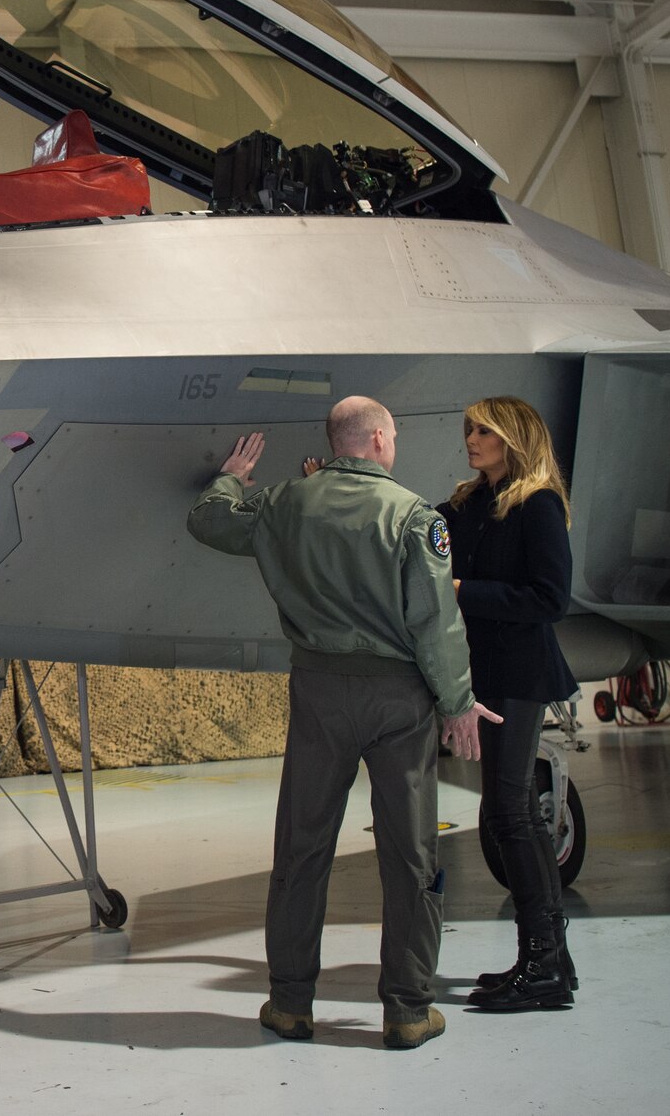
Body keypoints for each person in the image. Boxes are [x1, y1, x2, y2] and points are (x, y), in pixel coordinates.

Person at [189, 396, 501, 1051]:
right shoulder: (415, 517)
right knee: (410, 853)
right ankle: (408, 1009)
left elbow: (208, 522)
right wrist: (458, 703)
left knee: (303, 846)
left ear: (336, 444)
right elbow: (435, 623)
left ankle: (291, 1003)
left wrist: (231, 478)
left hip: (320, 691)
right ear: (382, 439)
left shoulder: (284, 503)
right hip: (398, 700)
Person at [438, 396, 580, 1012]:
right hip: (486, 673)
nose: (472, 439)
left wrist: (467, 591)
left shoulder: (538, 504)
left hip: (520, 675)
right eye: (469, 429)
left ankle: (542, 963)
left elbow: (550, 598)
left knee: (508, 815)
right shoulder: (468, 503)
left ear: (513, 438)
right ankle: (552, 961)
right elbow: (416, 524)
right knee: (513, 809)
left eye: (485, 431)